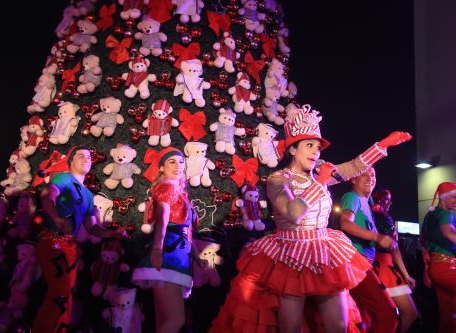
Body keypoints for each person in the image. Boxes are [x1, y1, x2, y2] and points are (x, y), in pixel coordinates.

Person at [209, 104, 412, 333]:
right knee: (292, 327)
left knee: (338, 326)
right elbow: (294, 213)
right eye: (309, 145)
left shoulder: (319, 175)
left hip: (324, 252)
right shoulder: (279, 179)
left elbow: (354, 166)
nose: (316, 151)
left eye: (317, 147)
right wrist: (321, 182)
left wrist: (383, 145)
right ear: (293, 150)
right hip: (290, 254)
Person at [32, 145, 126, 333]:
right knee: (59, 293)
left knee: (65, 293)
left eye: (89, 157)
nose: (86, 159)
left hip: (70, 247)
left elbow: (92, 228)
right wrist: (57, 217)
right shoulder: (63, 178)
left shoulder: (88, 195)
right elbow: (48, 196)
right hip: (54, 242)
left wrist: (114, 234)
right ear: (71, 161)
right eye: (81, 156)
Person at [132, 147, 198, 333]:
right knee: (175, 321)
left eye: (181, 162)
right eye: (172, 162)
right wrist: (157, 249)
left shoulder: (180, 193)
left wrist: (196, 255)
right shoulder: (167, 188)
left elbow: (186, 230)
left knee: (164, 321)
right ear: (161, 168)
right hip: (168, 257)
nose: (178, 166)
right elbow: (162, 219)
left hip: (178, 256)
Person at [339, 168, 400, 333]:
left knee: (363, 321)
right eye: (364, 175)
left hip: (365, 264)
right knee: (388, 315)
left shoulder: (367, 203)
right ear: (353, 179)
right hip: (356, 264)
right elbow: (345, 223)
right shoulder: (352, 197)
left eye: (373, 175)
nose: (370, 178)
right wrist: (377, 237)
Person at [372, 189, 418, 333]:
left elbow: (393, 247)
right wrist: (406, 275)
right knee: (409, 313)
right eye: (386, 199)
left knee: (385, 317)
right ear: (378, 199)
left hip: (380, 266)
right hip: (384, 267)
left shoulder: (378, 216)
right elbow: (393, 247)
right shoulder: (380, 217)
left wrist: (406, 274)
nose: (389, 203)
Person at [420, 182, 456, 333]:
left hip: (436, 269)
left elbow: (423, 243)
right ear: (443, 198)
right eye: (454, 197)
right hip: (448, 268)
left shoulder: (430, 215)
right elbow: (448, 233)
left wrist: (427, 270)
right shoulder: (444, 213)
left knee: (448, 315)